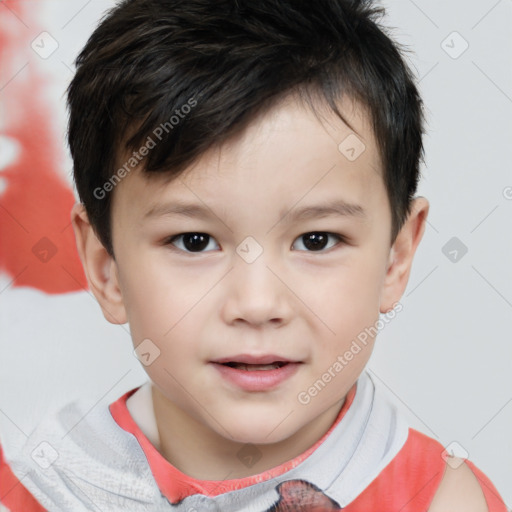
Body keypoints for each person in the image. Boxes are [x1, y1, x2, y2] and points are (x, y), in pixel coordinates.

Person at [0, 0, 508, 510]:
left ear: (396, 258)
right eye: (194, 241)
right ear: (104, 266)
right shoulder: (35, 491)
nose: (258, 302)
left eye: (317, 240)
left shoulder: (446, 500)